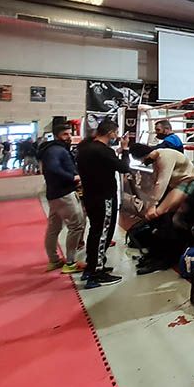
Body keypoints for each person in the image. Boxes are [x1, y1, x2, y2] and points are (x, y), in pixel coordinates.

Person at [127, 143, 194, 274]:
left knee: (160, 214)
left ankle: (165, 259)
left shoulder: (165, 156)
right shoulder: (156, 159)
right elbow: (156, 182)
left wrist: (153, 205)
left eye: (142, 160)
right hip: (176, 184)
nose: (143, 163)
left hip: (187, 181)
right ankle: (157, 254)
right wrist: (151, 204)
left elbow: (161, 182)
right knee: (158, 218)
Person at [76, 120, 130, 289]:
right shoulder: (103, 151)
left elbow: (103, 164)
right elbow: (124, 168)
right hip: (103, 196)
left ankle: (92, 265)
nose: (116, 136)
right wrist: (125, 149)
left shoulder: (85, 148)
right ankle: (96, 273)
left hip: (91, 195)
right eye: (115, 133)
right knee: (102, 233)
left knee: (95, 231)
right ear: (110, 133)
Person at [38, 124, 86, 274]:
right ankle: (70, 262)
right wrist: (73, 177)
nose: (69, 137)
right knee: (76, 226)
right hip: (64, 193)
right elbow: (53, 168)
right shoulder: (56, 150)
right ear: (57, 135)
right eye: (65, 134)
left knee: (54, 228)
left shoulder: (52, 149)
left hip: (55, 193)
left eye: (70, 134)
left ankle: (54, 260)